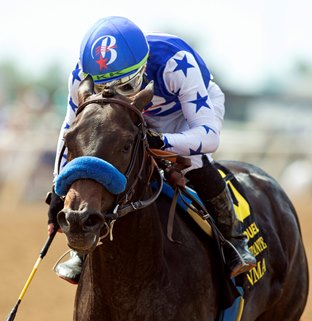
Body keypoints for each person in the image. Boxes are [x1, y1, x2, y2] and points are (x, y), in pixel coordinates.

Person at [47, 16, 256, 284]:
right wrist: (57, 188)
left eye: (125, 86)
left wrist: (162, 142)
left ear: (143, 67)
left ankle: (234, 240)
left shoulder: (176, 63)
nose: (117, 95)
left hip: (181, 114)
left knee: (194, 162)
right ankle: (83, 250)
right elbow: (68, 133)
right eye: (105, 89)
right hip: (130, 117)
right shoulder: (80, 74)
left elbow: (209, 137)